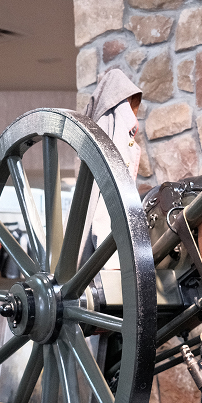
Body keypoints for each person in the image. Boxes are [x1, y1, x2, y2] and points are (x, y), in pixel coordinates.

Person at [81, 70, 143, 267]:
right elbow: (108, 197)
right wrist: (113, 265)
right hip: (105, 252)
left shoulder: (108, 124)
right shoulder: (115, 125)